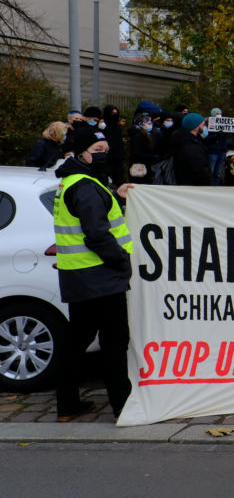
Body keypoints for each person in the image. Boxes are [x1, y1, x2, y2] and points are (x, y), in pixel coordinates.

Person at [53, 126, 134, 421]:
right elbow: (97, 233)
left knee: (77, 338)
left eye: (106, 151)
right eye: (97, 151)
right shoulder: (85, 186)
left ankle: (67, 405)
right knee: (115, 340)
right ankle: (123, 407)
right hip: (101, 275)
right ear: (81, 154)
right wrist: (121, 260)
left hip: (78, 276)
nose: (103, 155)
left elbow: (92, 211)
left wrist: (116, 193)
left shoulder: (74, 181)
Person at [170, 113, 214, 186]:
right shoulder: (192, 147)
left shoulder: (186, 141)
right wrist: (209, 185)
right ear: (195, 127)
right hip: (196, 189)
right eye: (203, 125)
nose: (205, 127)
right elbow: (200, 172)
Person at [128, 113, 158, 184]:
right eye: (148, 123)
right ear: (142, 124)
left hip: (144, 166)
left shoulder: (145, 135)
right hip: (139, 168)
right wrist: (150, 157)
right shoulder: (138, 137)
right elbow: (136, 153)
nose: (151, 125)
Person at [203, 108, 229, 186]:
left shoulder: (224, 125)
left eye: (220, 113)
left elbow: (224, 139)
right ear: (213, 115)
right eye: (217, 113)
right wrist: (216, 134)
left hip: (221, 151)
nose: (219, 115)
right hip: (212, 152)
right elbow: (205, 138)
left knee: (218, 173)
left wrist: (224, 149)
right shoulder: (207, 125)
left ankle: (216, 187)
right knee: (211, 172)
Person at [101, 105, 125, 186]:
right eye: (112, 113)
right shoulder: (104, 128)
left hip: (118, 162)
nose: (115, 115)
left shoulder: (117, 128)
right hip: (108, 162)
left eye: (116, 113)